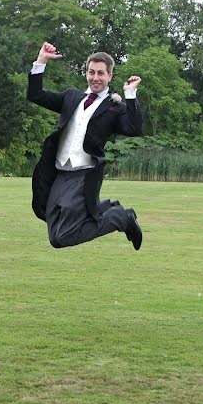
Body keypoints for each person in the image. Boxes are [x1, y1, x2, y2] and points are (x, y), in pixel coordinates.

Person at [28, 42, 144, 249]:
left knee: (63, 236)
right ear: (86, 73)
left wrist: (130, 95)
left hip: (83, 175)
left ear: (110, 76)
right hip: (60, 172)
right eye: (91, 72)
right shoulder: (71, 97)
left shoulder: (114, 107)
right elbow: (35, 95)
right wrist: (41, 60)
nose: (95, 77)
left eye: (101, 73)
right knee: (55, 237)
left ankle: (120, 219)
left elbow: (134, 128)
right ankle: (108, 209)